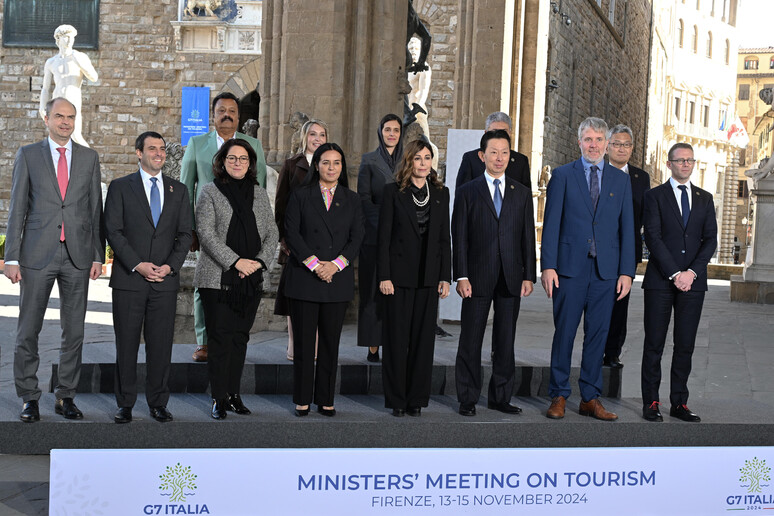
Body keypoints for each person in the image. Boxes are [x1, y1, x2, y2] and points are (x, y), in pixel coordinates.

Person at [4, 97, 104, 422]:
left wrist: (98, 256)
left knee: (74, 332)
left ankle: (66, 396)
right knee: (27, 330)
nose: (65, 122)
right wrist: (12, 258)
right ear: (46, 118)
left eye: (70, 117)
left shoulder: (89, 158)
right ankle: (29, 397)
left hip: (77, 255)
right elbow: (17, 208)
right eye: (59, 116)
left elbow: (95, 211)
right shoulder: (29, 155)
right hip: (36, 254)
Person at [541, 117, 635, 421]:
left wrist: (626, 272)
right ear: (579, 142)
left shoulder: (620, 181)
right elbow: (552, 224)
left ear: (607, 144)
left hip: (606, 273)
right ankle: (558, 394)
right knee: (565, 333)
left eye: (598, 140)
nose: (593, 145)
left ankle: (590, 398)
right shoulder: (563, 175)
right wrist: (548, 266)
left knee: (598, 334)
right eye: (588, 139)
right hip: (569, 270)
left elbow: (627, 230)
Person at [104, 132, 192, 424]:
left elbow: (184, 234)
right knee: (126, 344)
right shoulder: (120, 187)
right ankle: (125, 403)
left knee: (161, 344)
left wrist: (170, 267)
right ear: (138, 153)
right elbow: (113, 231)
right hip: (129, 280)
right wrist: (137, 264)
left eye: (162, 149)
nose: (158, 153)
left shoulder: (178, 190)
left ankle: (158, 402)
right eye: (152, 149)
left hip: (164, 281)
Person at [452, 129, 536, 417]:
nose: (499, 158)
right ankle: (467, 397)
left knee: (505, 339)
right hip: (476, 277)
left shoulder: (521, 193)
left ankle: (501, 396)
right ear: (482, 155)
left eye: (505, 153)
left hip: (512, 276)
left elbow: (527, 237)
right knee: (470, 339)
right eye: (494, 152)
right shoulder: (467, 191)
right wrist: (461, 275)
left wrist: (529, 276)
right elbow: (459, 236)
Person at [194, 139, 278, 419]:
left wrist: (258, 263)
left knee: (240, 339)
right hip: (217, 279)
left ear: (251, 163)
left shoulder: (259, 194)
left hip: (250, 280)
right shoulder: (210, 192)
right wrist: (236, 261)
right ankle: (218, 398)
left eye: (243, 159)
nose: (238, 163)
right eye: (232, 158)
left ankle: (233, 394)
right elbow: (206, 234)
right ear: (222, 161)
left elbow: (271, 234)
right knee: (220, 339)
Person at [181, 91, 267, 363]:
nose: (227, 115)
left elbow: (260, 188)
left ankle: (233, 336)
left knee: (240, 281)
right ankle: (204, 342)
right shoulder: (197, 144)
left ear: (239, 117)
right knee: (204, 284)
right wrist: (190, 229)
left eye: (232, 110)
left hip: (243, 231)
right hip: (209, 230)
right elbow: (186, 188)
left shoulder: (253, 144)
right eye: (221, 111)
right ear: (213, 115)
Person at [284, 143, 364, 417]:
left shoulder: (352, 199)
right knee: (305, 345)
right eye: (326, 162)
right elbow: (292, 233)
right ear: (316, 164)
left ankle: (326, 398)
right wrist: (316, 265)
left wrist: (336, 265)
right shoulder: (300, 195)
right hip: (306, 277)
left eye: (337, 163)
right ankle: (302, 398)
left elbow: (357, 238)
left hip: (336, 279)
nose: (332, 168)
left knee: (331, 344)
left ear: (342, 167)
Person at [641, 143, 717, 423]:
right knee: (654, 344)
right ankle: (651, 402)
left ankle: (679, 403)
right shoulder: (654, 196)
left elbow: (711, 240)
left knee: (685, 344)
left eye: (689, 160)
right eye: (680, 160)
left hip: (693, 284)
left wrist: (691, 273)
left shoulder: (705, 198)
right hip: (660, 281)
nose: (685, 164)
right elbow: (653, 236)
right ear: (669, 163)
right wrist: (675, 273)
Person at [377, 140, 451, 417]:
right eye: (418, 158)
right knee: (396, 340)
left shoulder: (441, 193)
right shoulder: (392, 192)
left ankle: (416, 399)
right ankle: (396, 399)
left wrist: (445, 277)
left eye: (427, 157)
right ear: (409, 161)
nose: (423, 163)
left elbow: (445, 240)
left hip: (428, 278)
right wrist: (384, 275)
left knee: (423, 342)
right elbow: (383, 238)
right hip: (396, 278)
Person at [274, 119, 329, 360]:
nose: (317, 139)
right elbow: (281, 206)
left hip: (323, 243)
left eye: (322, 135)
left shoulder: (331, 164)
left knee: (318, 295)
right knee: (293, 296)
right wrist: (286, 242)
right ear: (305, 137)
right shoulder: (291, 165)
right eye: (313, 134)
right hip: (296, 243)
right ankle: (293, 342)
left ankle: (315, 343)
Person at [603, 125, 651, 369]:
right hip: (599, 249)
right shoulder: (597, 172)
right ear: (607, 146)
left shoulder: (640, 178)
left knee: (620, 303)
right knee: (598, 302)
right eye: (617, 144)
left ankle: (612, 352)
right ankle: (595, 347)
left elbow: (644, 214)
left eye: (626, 145)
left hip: (627, 251)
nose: (621, 148)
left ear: (632, 149)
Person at [357, 114, 403, 362]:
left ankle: (394, 342)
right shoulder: (369, 160)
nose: (392, 134)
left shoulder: (408, 160)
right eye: (387, 129)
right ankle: (372, 344)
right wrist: (384, 224)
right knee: (373, 291)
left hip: (401, 239)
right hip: (374, 236)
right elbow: (364, 198)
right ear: (380, 131)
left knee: (397, 292)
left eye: (396, 130)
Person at [38, 25, 99, 147]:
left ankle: (90, 161)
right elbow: (45, 88)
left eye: (72, 37)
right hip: (57, 99)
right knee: (56, 136)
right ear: (58, 39)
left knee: (75, 135)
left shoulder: (79, 57)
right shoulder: (51, 62)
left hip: (72, 99)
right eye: (66, 37)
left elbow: (94, 77)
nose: (70, 40)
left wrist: (81, 63)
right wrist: (42, 106)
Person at [456, 112, 530, 190]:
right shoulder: (471, 159)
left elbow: (526, 197)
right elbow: (461, 194)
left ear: (510, 133)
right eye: (494, 132)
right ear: (485, 133)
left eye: (504, 132)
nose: (499, 136)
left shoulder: (521, 161)